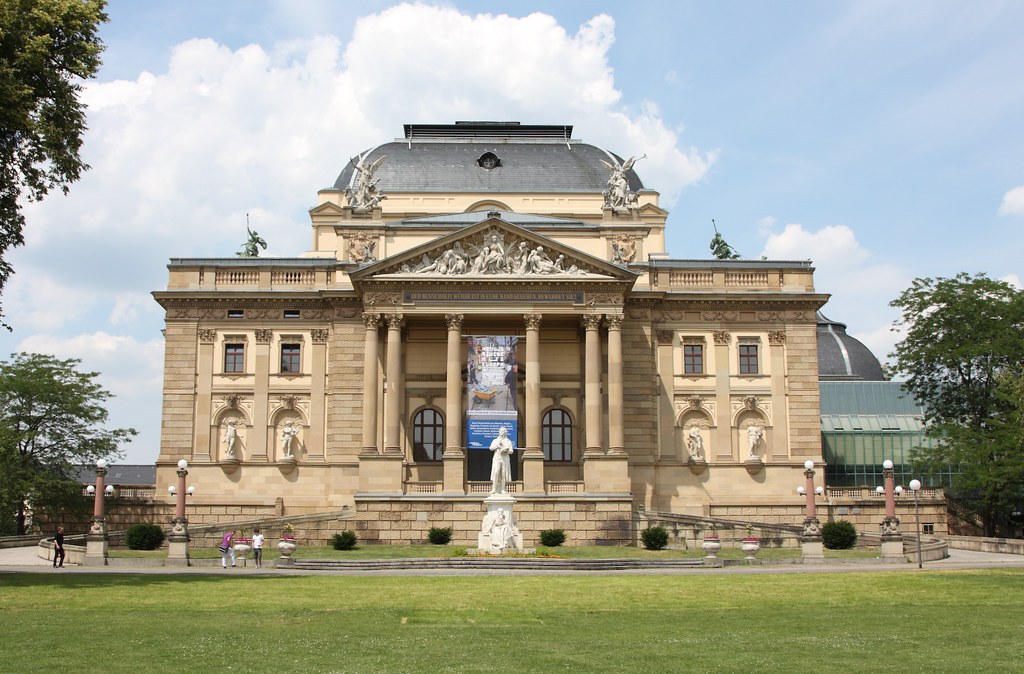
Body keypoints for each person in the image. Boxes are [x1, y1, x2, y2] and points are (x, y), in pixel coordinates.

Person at [489, 426, 514, 495]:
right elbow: (491, 448)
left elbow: (511, 451)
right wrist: (497, 446)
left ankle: (503, 489)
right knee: (496, 472)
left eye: (503, 431)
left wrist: (506, 450)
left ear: (505, 432)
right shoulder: (495, 440)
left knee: (503, 474)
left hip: (505, 458)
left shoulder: (508, 441)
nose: (501, 432)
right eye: (500, 431)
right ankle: (494, 488)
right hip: (497, 458)